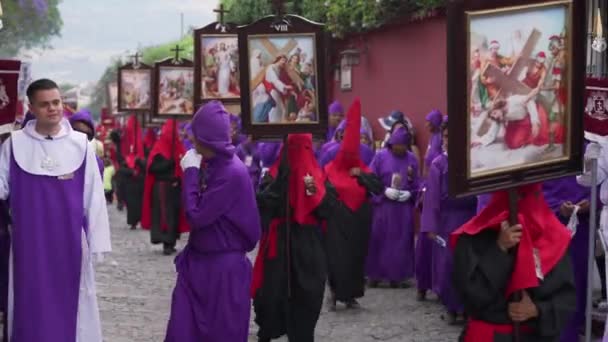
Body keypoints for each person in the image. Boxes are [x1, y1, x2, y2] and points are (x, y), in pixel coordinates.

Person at [0, 78, 111, 341]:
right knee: (29, 306)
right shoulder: (13, 144)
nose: (53, 109)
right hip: (28, 247)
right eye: (45, 104)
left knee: (72, 308)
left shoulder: (81, 145)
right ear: (32, 107)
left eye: (57, 102)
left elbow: (94, 198)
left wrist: (98, 244)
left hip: (69, 245)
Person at [165, 101, 260, 342]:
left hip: (221, 272)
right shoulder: (217, 164)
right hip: (200, 264)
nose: (191, 141)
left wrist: (191, 173)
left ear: (205, 139)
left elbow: (196, 215)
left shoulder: (230, 172)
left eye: (195, 136)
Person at [451, 183, 576, 341]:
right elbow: (470, 295)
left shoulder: (554, 238)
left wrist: (536, 310)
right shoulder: (474, 237)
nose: (519, 205)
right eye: (514, 197)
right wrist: (500, 249)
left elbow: (566, 299)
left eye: (526, 196)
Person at [252, 134, 327, 342]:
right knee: (273, 293)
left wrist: (313, 195)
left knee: (307, 296)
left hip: (306, 244)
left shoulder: (318, 177)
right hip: (281, 243)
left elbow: (327, 211)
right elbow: (263, 205)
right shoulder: (274, 176)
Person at [323, 99, 383, 310]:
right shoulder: (329, 163)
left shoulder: (363, 166)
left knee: (355, 259)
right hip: (337, 221)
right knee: (337, 258)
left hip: (359, 220)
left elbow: (377, 186)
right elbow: (323, 189)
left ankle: (350, 295)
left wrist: (361, 177)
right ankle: (334, 293)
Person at [420, 121, 477, 323]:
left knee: (471, 264)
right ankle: (452, 307)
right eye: (446, 137)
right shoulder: (438, 164)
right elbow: (432, 198)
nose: (449, 141)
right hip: (448, 220)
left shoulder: (473, 161)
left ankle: (468, 307)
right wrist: (430, 227)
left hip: (472, 217)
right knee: (449, 264)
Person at [367, 126, 420, 287]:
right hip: (383, 207)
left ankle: (398, 276)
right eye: (398, 146)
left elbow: (417, 181)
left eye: (404, 146)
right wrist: (383, 191)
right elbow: (370, 180)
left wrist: (411, 193)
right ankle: (375, 275)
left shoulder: (411, 159)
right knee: (379, 239)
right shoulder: (380, 157)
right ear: (392, 144)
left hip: (402, 209)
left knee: (401, 241)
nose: (401, 149)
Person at [543, 174, 592, 342]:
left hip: (582, 227)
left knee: (578, 285)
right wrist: (557, 207)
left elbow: (601, 180)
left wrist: (593, 202)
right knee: (551, 288)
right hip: (547, 227)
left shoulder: (590, 148)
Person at [141, 119, 189, 255]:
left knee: (174, 215)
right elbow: (153, 168)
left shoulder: (178, 146)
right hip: (162, 187)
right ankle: (166, 242)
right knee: (165, 215)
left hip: (174, 187)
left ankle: (171, 241)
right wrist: (169, 163)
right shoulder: (159, 147)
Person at [69, 109, 104, 177]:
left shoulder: (96, 163)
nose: (80, 137)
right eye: (76, 132)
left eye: (86, 134)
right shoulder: (57, 156)